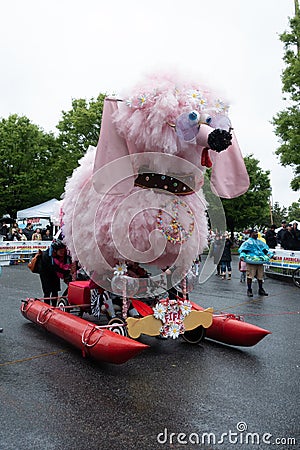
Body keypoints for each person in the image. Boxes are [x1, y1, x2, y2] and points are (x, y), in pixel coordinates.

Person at [238, 229, 273, 297]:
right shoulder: (247, 242)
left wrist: (271, 255)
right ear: (251, 234)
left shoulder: (259, 242)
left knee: (260, 276)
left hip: (260, 261)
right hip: (251, 261)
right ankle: (249, 290)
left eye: (257, 233)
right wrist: (242, 256)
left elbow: (265, 250)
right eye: (255, 233)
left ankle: (260, 289)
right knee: (250, 276)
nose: (256, 234)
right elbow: (244, 250)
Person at [39, 239, 72, 306]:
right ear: (55, 250)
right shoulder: (46, 256)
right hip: (45, 273)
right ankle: (47, 306)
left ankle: (54, 306)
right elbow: (54, 268)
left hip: (55, 273)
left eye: (63, 250)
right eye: (61, 251)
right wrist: (66, 272)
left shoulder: (63, 255)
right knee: (47, 291)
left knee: (55, 290)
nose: (62, 252)